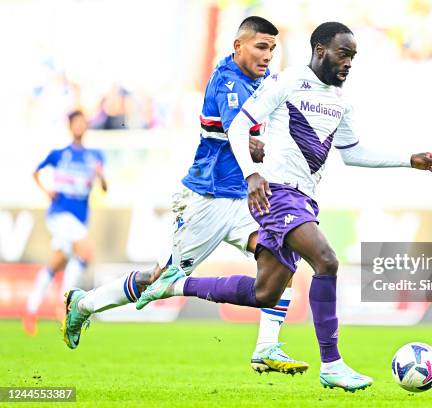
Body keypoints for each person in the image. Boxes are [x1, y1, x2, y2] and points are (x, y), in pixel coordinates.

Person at [137, 22, 432, 392]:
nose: (349, 63)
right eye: (343, 54)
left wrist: (407, 159)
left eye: (353, 57)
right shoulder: (287, 82)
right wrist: (252, 175)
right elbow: (239, 128)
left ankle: (174, 285)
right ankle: (332, 364)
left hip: (304, 199)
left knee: (265, 293)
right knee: (327, 261)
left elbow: (353, 154)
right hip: (278, 193)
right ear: (320, 50)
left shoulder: (340, 100)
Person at [62, 16, 308, 375]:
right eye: (260, 46)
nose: (268, 54)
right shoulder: (228, 82)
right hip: (207, 199)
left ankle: (267, 348)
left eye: (272, 48)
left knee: (282, 255)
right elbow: (239, 132)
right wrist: (257, 150)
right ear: (237, 46)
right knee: (160, 278)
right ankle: (84, 305)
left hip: (243, 199)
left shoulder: (265, 80)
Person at [24, 110, 107, 336]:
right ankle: (65, 307)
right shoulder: (59, 154)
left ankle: (31, 310)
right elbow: (35, 172)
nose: (80, 126)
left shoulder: (96, 156)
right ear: (70, 126)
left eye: (83, 123)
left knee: (57, 262)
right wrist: (46, 191)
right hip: (60, 214)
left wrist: (100, 176)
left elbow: (105, 188)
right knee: (86, 252)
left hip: (80, 218)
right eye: (76, 123)